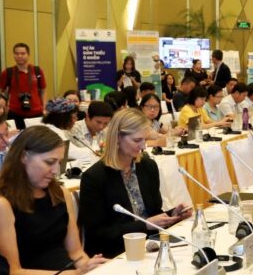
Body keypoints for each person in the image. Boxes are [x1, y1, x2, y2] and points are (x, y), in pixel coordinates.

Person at [0, 126, 107, 275]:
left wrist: (91, 268)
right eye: (49, 162)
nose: (56, 170)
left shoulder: (60, 194)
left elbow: (76, 254)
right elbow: (12, 273)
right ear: (23, 157)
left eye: (59, 163)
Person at [79, 109, 192, 257]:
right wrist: (144, 225)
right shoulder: (94, 177)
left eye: (145, 139)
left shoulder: (147, 166)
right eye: (137, 140)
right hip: (116, 252)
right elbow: (97, 233)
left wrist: (172, 215)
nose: (144, 146)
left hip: (150, 245)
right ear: (118, 137)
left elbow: (153, 214)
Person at [0, 43, 46, 129]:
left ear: (28, 55)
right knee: (16, 136)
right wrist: (2, 108)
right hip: (14, 113)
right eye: (17, 53)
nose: (19, 56)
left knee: (36, 137)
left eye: (23, 53)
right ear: (14, 55)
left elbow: (43, 90)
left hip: (36, 113)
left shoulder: (37, 71)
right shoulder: (8, 72)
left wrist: (44, 108)